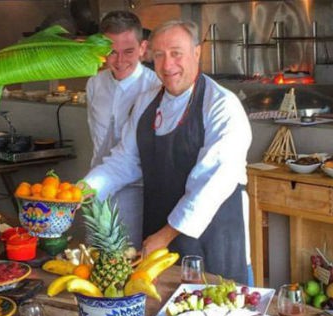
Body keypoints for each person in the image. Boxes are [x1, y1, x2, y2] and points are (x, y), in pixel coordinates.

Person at [85, 20, 252, 284]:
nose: (167, 65)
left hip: (212, 238)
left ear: (197, 53)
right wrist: (80, 192)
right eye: (159, 55)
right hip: (158, 237)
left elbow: (211, 185)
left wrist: (164, 236)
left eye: (176, 53)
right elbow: (124, 161)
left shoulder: (221, 105)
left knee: (216, 312)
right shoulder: (147, 101)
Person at [86, 11, 160, 249]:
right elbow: (96, 138)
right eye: (111, 52)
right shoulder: (94, 84)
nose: (119, 61)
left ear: (142, 48)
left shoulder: (156, 87)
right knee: (93, 260)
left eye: (128, 51)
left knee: (130, 262)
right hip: (95, 188)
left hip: (138, 193)